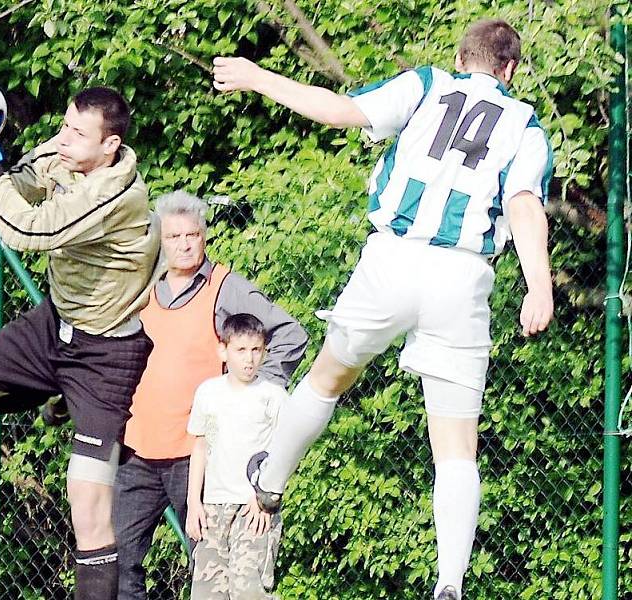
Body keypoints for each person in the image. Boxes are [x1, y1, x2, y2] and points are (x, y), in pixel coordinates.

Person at [212, 18, 554, 600]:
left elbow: (338, 110)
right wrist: (538, 286)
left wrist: (256, 76)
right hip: (462, 277)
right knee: (455, 444)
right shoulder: (526, 126)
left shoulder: (425, 86)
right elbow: (522, 204)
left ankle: (269, 481)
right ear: (511, 70)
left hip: (393, 260)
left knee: (327, 379)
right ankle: (449, 583)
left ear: (460, 56)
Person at [0, 85, 161, 600]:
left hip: (105, 355)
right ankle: (53, 394)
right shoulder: (63, 154)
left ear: (110, 147)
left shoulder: (118, 194)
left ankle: (70, 397)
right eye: (65, 124)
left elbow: (28, 231)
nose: (64, 138)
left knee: (88, 507)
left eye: (79, 133)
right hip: (52, 328)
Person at [86, 189, 305, 599]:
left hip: (197, 458)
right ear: (159, 241)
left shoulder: (225, 287)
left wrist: (254, 391)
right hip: (137, 453)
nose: (184, 244)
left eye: (192, 235)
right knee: (116, 561)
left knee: (212, 569)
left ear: (204, 237)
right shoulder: (141, 289)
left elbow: (290, 334)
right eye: (173, 237)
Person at [186, 313, 287, 599]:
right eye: (241, 350)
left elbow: (284, 455)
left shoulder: (273, 396)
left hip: (253, 509)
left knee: (248, 590)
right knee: (207, 591)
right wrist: (194, 502)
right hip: (213, 508)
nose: (249, 359)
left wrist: (265, 499)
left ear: (264, 352)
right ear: (223, 350)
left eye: (256, 350)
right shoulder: (208, 393)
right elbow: (200, 447)